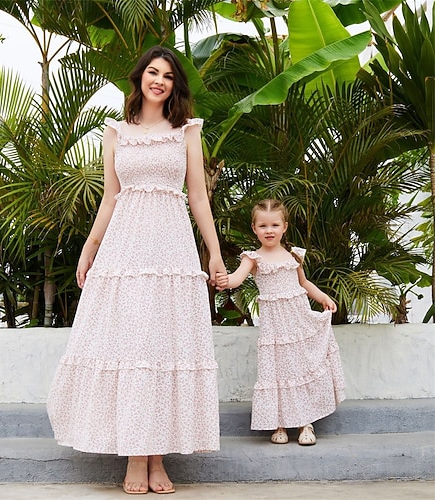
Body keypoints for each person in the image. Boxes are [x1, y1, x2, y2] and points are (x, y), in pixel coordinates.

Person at [47, 46, 226, 495]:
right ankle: (134, 455)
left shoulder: (187, 131)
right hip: (125, 251)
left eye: (168, 75)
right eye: (153, 72)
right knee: (130, 345)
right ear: (140, 77)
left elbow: (198, 197)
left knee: (163, 346)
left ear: (175, 85)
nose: (159, 80)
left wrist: (214, 253)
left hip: (171, 250)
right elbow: (110, 197)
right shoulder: (115, 133)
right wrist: (89, 248)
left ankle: (157, 458)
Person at [216, 199, 345, 446]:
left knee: (300, 368)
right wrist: (224, 280)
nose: (269, 230)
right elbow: (236, 279)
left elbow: (304, 283)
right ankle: (280, 424)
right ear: (254, 228)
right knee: (277, 371)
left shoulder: (293, 255)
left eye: (274, 225)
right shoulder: (253, 258)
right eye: (263, 225)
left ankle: (305, 423)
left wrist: (323, 297)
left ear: (284, 227)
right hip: (275, 328)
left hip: (298, 323)